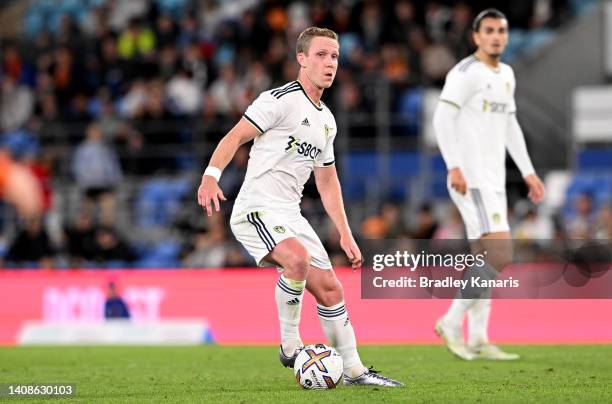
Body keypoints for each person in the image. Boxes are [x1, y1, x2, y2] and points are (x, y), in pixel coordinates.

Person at [197, 27, 402, 387]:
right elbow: (235, 136)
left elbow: (327, 181)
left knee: (331, 289)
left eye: (335, 56)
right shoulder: (278, 99)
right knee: (297, 259)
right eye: (321, 55)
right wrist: (211, 175)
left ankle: (354, 371)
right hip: (256, 207)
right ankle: (290, 345)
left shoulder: (326, 120)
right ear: (302, 59)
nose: (330, 63)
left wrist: (345, 233)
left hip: (291, 214)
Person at [432, 9, 545, 361]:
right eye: (490, 31)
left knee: (484, 259)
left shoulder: (506, 74)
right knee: (500, 254)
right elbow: (442, 118)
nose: (497, 36)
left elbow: (510, 126)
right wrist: (454, 167)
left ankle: (479, 338)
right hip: (472, 181)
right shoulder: (465, 73)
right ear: (476, 36)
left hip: (494, 181)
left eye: (502, 31)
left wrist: (527, 171)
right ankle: (451, 323)